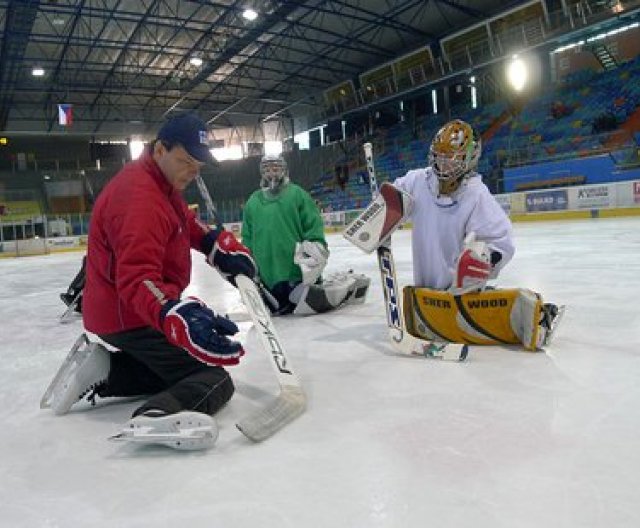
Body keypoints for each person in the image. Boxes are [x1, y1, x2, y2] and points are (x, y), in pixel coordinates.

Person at [43, 113, 257, 449]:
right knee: (213, 379)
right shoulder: (139, 197)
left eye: (198, 166)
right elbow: (136, 279)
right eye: (186, 161)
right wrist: (172, 312)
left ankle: (108, 370)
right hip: (128, 314)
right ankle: (154, 416)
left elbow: (183, 220)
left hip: (122, 311)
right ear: (160, 149)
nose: (193, 172)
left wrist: (214, 245)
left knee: (171, 370)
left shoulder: (160, 182)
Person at [391, 119, 561, 350]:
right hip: (425, 298)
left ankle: (541, 317)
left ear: (469, 159)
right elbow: (390, 199)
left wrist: (484, 260)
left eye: (451, 160)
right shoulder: (417, 181)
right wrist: (380, 215)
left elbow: (502, 240)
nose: (443, 166)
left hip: (459, 297)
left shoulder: (476, 194)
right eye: (439, 158)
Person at [242, 154, 369, 315]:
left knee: (310, 303)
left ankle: (347, 287)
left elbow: (313, 228)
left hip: (296, 277)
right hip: (267, 281)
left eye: (275, 168)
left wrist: (316, 247)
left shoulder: (297, 195)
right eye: (267, 169)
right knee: (274, 307)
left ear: (284, 170)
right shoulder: (253, 201)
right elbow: (247, 238)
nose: (271, 173)